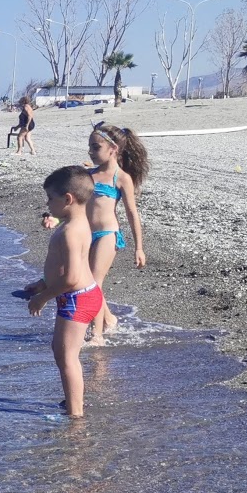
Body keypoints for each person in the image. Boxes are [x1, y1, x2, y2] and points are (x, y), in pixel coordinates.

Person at [19, 166, 99, 417]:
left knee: (67, 358)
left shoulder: (70, 233)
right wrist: (44, 283)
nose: (47, 203)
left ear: (67, 199)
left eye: (50, 198)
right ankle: (71, 401)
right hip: (82, 295)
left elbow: (72, 278)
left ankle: (75, 416)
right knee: (61, 351)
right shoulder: (77, 222)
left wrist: (43, 297)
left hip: (77, 297)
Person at [85, 123, 149, 344]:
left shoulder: (121, 178)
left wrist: (138, 248)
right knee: (85, 281)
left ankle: (97, 335)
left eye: (95, 147)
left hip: (107, 234)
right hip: (87, 235)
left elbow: (132, 213)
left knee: (94, 282)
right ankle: (109, 319)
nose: (91, 152)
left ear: (112, 149)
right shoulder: (88, 175)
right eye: (90, 147)